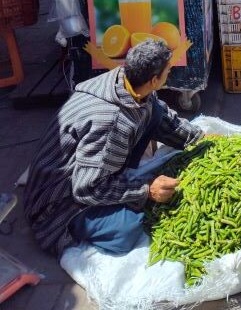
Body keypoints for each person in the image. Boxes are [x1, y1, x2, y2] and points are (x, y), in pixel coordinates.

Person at [24, 41, 204, 256]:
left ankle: (115, 174)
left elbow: (162, 117)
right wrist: (147, 189)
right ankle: (81, 222)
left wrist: (198, 139)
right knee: (126, 230)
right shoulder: (112, 123)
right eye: (168, 70)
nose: (170, 73)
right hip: (59, 199)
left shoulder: (127, 82)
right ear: (154, 79)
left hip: (90, 163)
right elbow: (87, 188)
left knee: (154, 112)